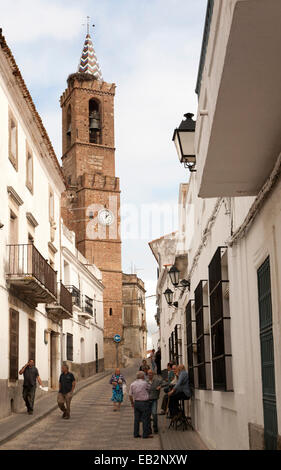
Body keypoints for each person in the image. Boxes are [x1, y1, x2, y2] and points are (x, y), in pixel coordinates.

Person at [129, 371, 153, 439]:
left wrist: (132, 403)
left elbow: (130, 395)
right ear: (142, 376)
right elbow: (150, 388)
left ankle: (136, 434)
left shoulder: (132, 384)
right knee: (145, 419)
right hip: (144, 403)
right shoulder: (145, 383)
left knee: (136, 419)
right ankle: (145, 434)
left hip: (136, 402)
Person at [146, 369, 165, 434]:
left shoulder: (157, 380)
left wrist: (160, 386)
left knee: (154, 414)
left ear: (153, 374)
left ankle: (155, 427)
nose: (150, 375)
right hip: (147, 400)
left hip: (154, 399)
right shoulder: (146, 381)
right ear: (147, 374)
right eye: (149, 373)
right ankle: (149, 428)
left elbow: (165, 383)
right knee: (148, 414)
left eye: (151, 373)